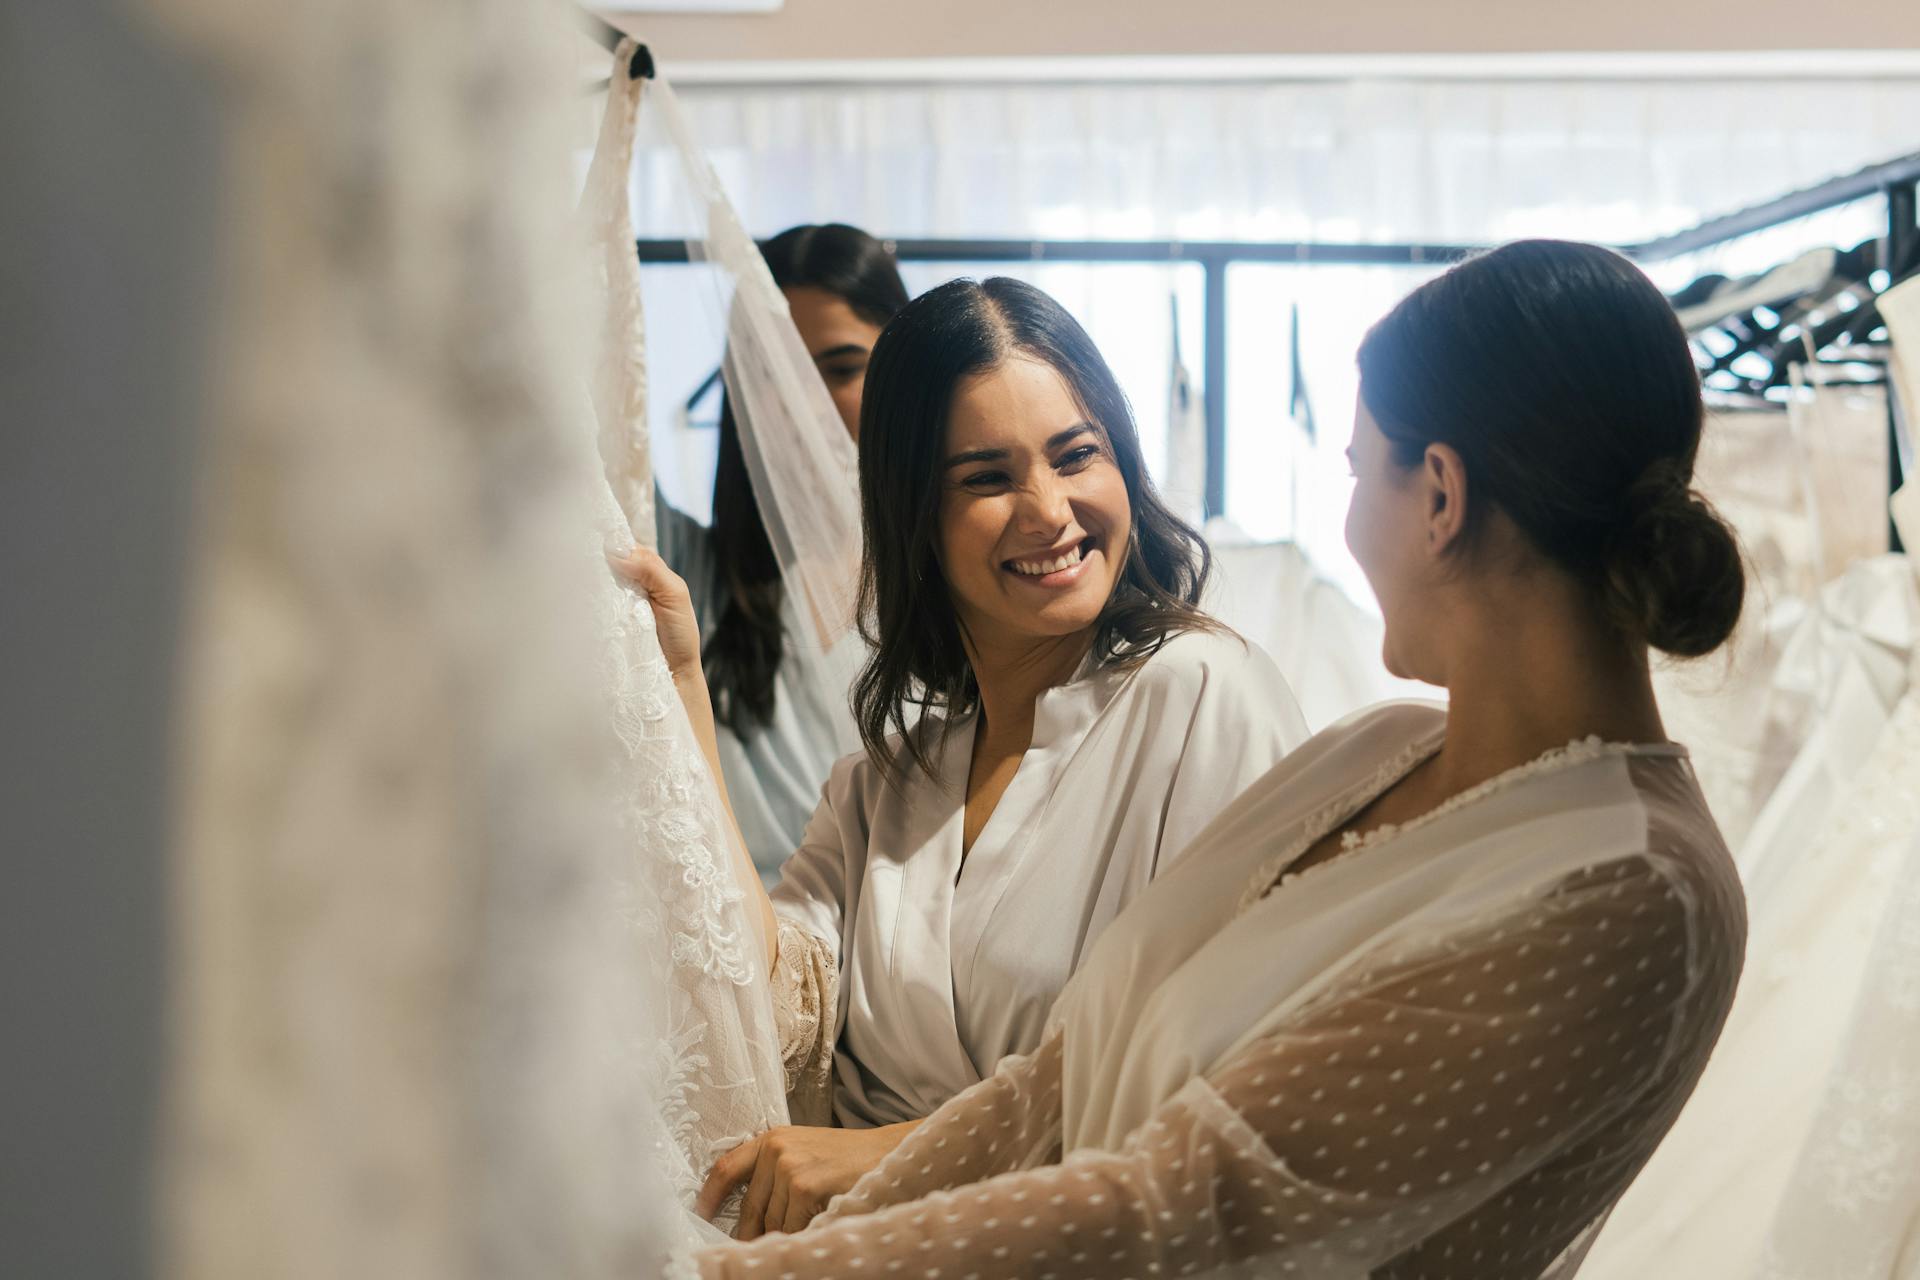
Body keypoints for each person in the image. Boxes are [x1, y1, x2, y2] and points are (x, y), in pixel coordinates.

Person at [673, 239, 1750, 1279]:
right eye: (986, 475)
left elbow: (1187, 1205)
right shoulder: (1382, 748)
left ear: (1438, 496)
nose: (1348, 521)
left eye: (1355, 470)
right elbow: (1063, 1080)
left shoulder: (1641, 891)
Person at [621, 277, 1309, 1239]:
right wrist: (684, 685)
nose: (1048, 510)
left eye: (1078, 455)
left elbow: (1239, 1080)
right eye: (986, 479)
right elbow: (765, 1005)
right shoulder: (891, 779)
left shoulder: (1200, 694)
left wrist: (894, 1148)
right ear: (915, 518)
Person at [655, 223, 910, 885]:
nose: (801, 404)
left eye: (841, 368)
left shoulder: (957, 578)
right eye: (774, 373)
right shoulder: (685, 571)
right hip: (755, 968)